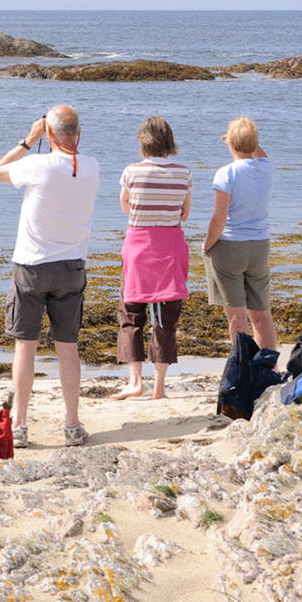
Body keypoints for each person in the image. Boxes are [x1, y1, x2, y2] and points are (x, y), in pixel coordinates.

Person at [0, 104, 100, 449]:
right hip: (71, 267)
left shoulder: (38, 165)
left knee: (26, 346)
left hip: (32, 266)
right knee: (68, 348)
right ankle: (71, 424)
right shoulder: (92, 167)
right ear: (78, 134)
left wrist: (28, 140)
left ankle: (20, 425)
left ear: (50, 134)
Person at [115, 116, 191, 400]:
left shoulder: (132, 171)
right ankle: (159, 387)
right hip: (169, 247)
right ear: (169, 142)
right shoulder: (183, 172)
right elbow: (185, 213)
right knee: (165, 318)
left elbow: (125, 205)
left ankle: (135, 381)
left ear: (143, 142)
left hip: (138, 246)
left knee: (131, 314)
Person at [204, 115, 275, 350]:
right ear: (254, 143)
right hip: (259, 245)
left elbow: (219, 218)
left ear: (230, 143)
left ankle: (243, 368)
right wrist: (246, 139)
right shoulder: (265, 167)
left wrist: (207, 245)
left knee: (236, 315)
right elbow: (259, 154)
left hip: (231, 246)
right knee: (261, 314)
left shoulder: (226, 173)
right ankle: (270, 368)